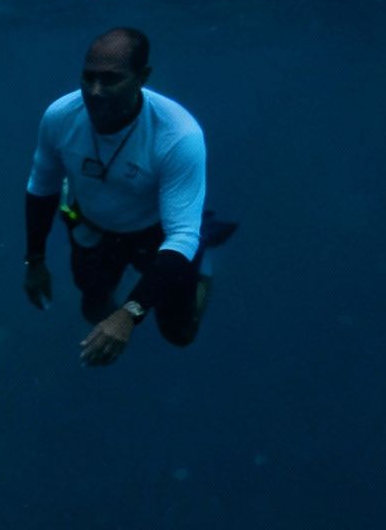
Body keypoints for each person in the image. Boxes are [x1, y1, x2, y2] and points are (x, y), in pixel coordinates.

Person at [21, 27, 230, 367]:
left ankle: (202, 265)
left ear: (141, 78)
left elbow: (180, 236)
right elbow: (42, 185)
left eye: (110, 79)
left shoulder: (178, 135)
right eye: (88, 78)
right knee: (93, 308)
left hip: (159, 233)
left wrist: (129, 314)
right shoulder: (60, 116)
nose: (95, 92)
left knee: (180, 334)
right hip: (91, 224)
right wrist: (35, 260)